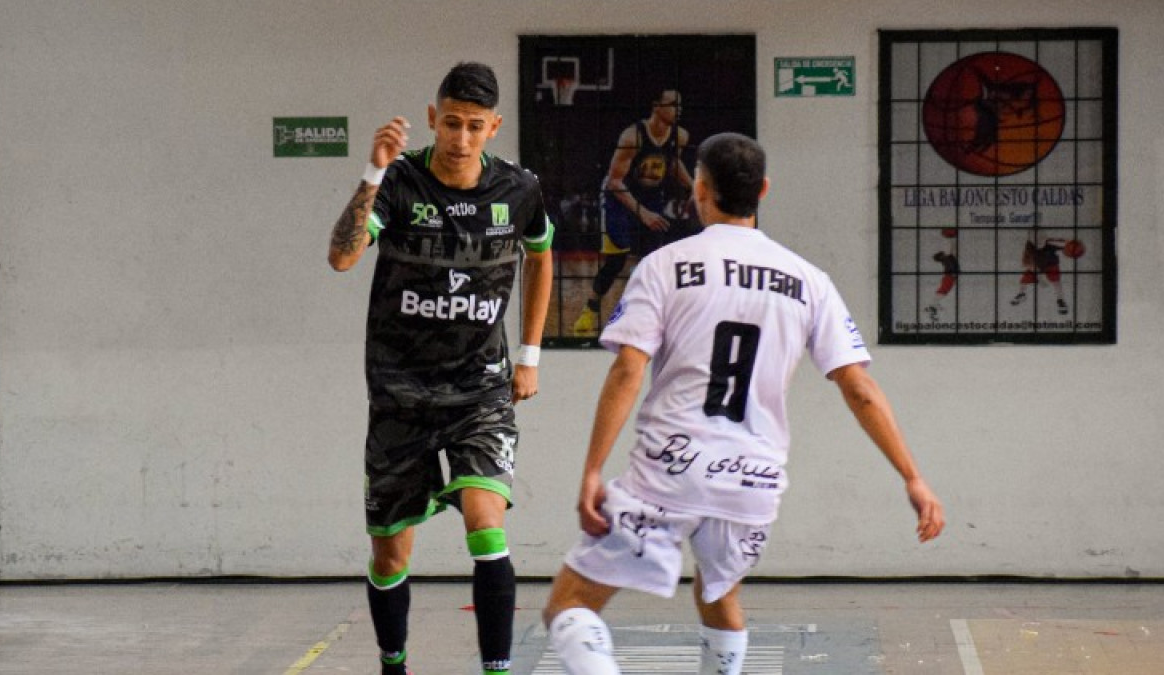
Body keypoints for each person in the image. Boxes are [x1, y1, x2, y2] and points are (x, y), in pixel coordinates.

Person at [543, 133, 945, 675]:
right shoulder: (809, 281)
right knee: (720, 594)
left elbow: (627, 372)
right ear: (764, 190)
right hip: (752, 480)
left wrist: (593, 470)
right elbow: (859, 388)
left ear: (699, 190)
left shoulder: (664, 266)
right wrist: (912, 477)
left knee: (569, 606)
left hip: (671, 469)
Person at [327, 62, 554, 675]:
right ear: (433, 118)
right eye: (451, 123)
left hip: (480, 393)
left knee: (486, 526)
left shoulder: (519, 189)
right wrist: (373, 172)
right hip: (400, 396)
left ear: (494, 127)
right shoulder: (400, 183)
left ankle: (497, 670)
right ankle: (393, 663)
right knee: (390, 556)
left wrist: (529, 356)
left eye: (475, 126)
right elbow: (342, 258)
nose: (461, 137)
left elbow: (541, 255)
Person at [572, 89, 696, 336]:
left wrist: (693, 187)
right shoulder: (633, 136)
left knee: (654, 259)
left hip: (650, 195)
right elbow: (615, 182)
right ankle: (591, 308)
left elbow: (672, 162)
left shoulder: (679, 136)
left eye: (680, 104)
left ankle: (650, 314)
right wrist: (643, 213)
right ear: (656, 106)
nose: (678, 109)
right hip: (618, 196)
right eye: (672, 104)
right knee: (616, 260)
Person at [1010, 235, 1068, 315]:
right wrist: (1040, 277)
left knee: (1056, 282)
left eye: (1041, 240)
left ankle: (1060, 300)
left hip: (1051, 265)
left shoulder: (1050, 244)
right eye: (1036, 241)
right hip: (1036, 266)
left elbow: (1066, 245)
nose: (1040, 242)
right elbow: (1028, 264)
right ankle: (1021, 294)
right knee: (1024, 280)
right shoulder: (1029, 250)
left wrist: (1065, 242)